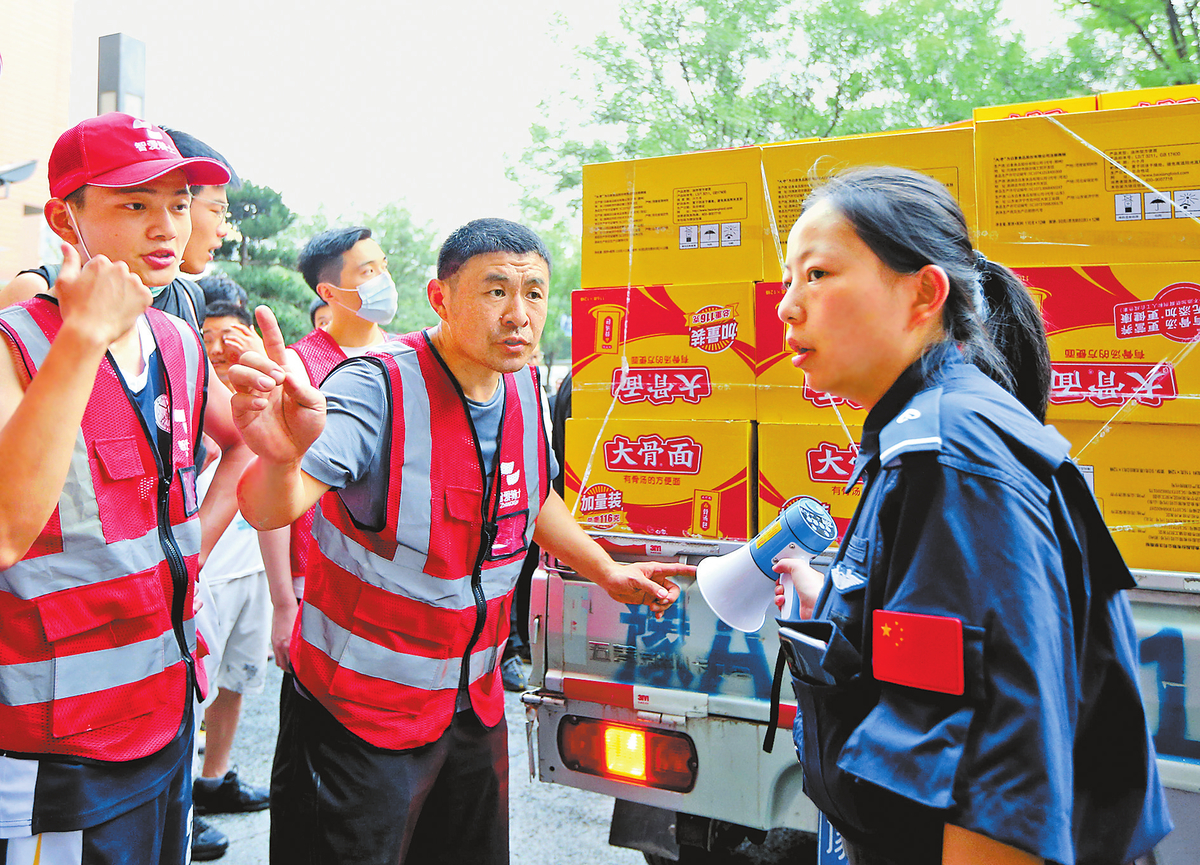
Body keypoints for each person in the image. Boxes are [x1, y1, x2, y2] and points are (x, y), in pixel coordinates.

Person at [228, 217, 691, 865]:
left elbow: (535, 496)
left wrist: (606, 570)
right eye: (496, 291)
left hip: (470, 706)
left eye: (534, 293)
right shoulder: (375, 387)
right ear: (440, 297)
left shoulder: (523, 385)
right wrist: (279, 455)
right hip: (358, 711)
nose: (519, 315)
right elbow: (270, 505)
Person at [771, 166, 1172, 865]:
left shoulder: (955, 458)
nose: (787, 306)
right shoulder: (926, 436)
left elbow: (1000, 785)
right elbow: (937, 661)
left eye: (819, 274)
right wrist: (839, 612)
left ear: (923, 293)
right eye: (787, 279)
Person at [0, 112, 238, 863]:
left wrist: (278, 440)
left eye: (176, 202)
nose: (163, 225)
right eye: (133, 204)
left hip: (168, 709)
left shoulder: (176, 341)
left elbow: (210, 482)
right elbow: (6, 529)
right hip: (57, 740)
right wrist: (82, 335)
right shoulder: (19, 341)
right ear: (68, 215)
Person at [261, 227, 398, 685]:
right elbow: (276, 485)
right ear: (329, 291)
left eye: (382, 266)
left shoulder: (409, 357)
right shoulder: (299, 366)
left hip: (396, 574)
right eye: (367, 270)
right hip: (319, 574)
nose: (383, 278)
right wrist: (283, 604)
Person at [192, 276, 272, 821]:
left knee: (236, 682)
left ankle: (214, 781)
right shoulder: (192, 394)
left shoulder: (267, 395)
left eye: (234, 334)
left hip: (253, 571)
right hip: (205, 576)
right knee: (191, 693)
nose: (223, 347)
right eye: (211, 335)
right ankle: (181, 801)